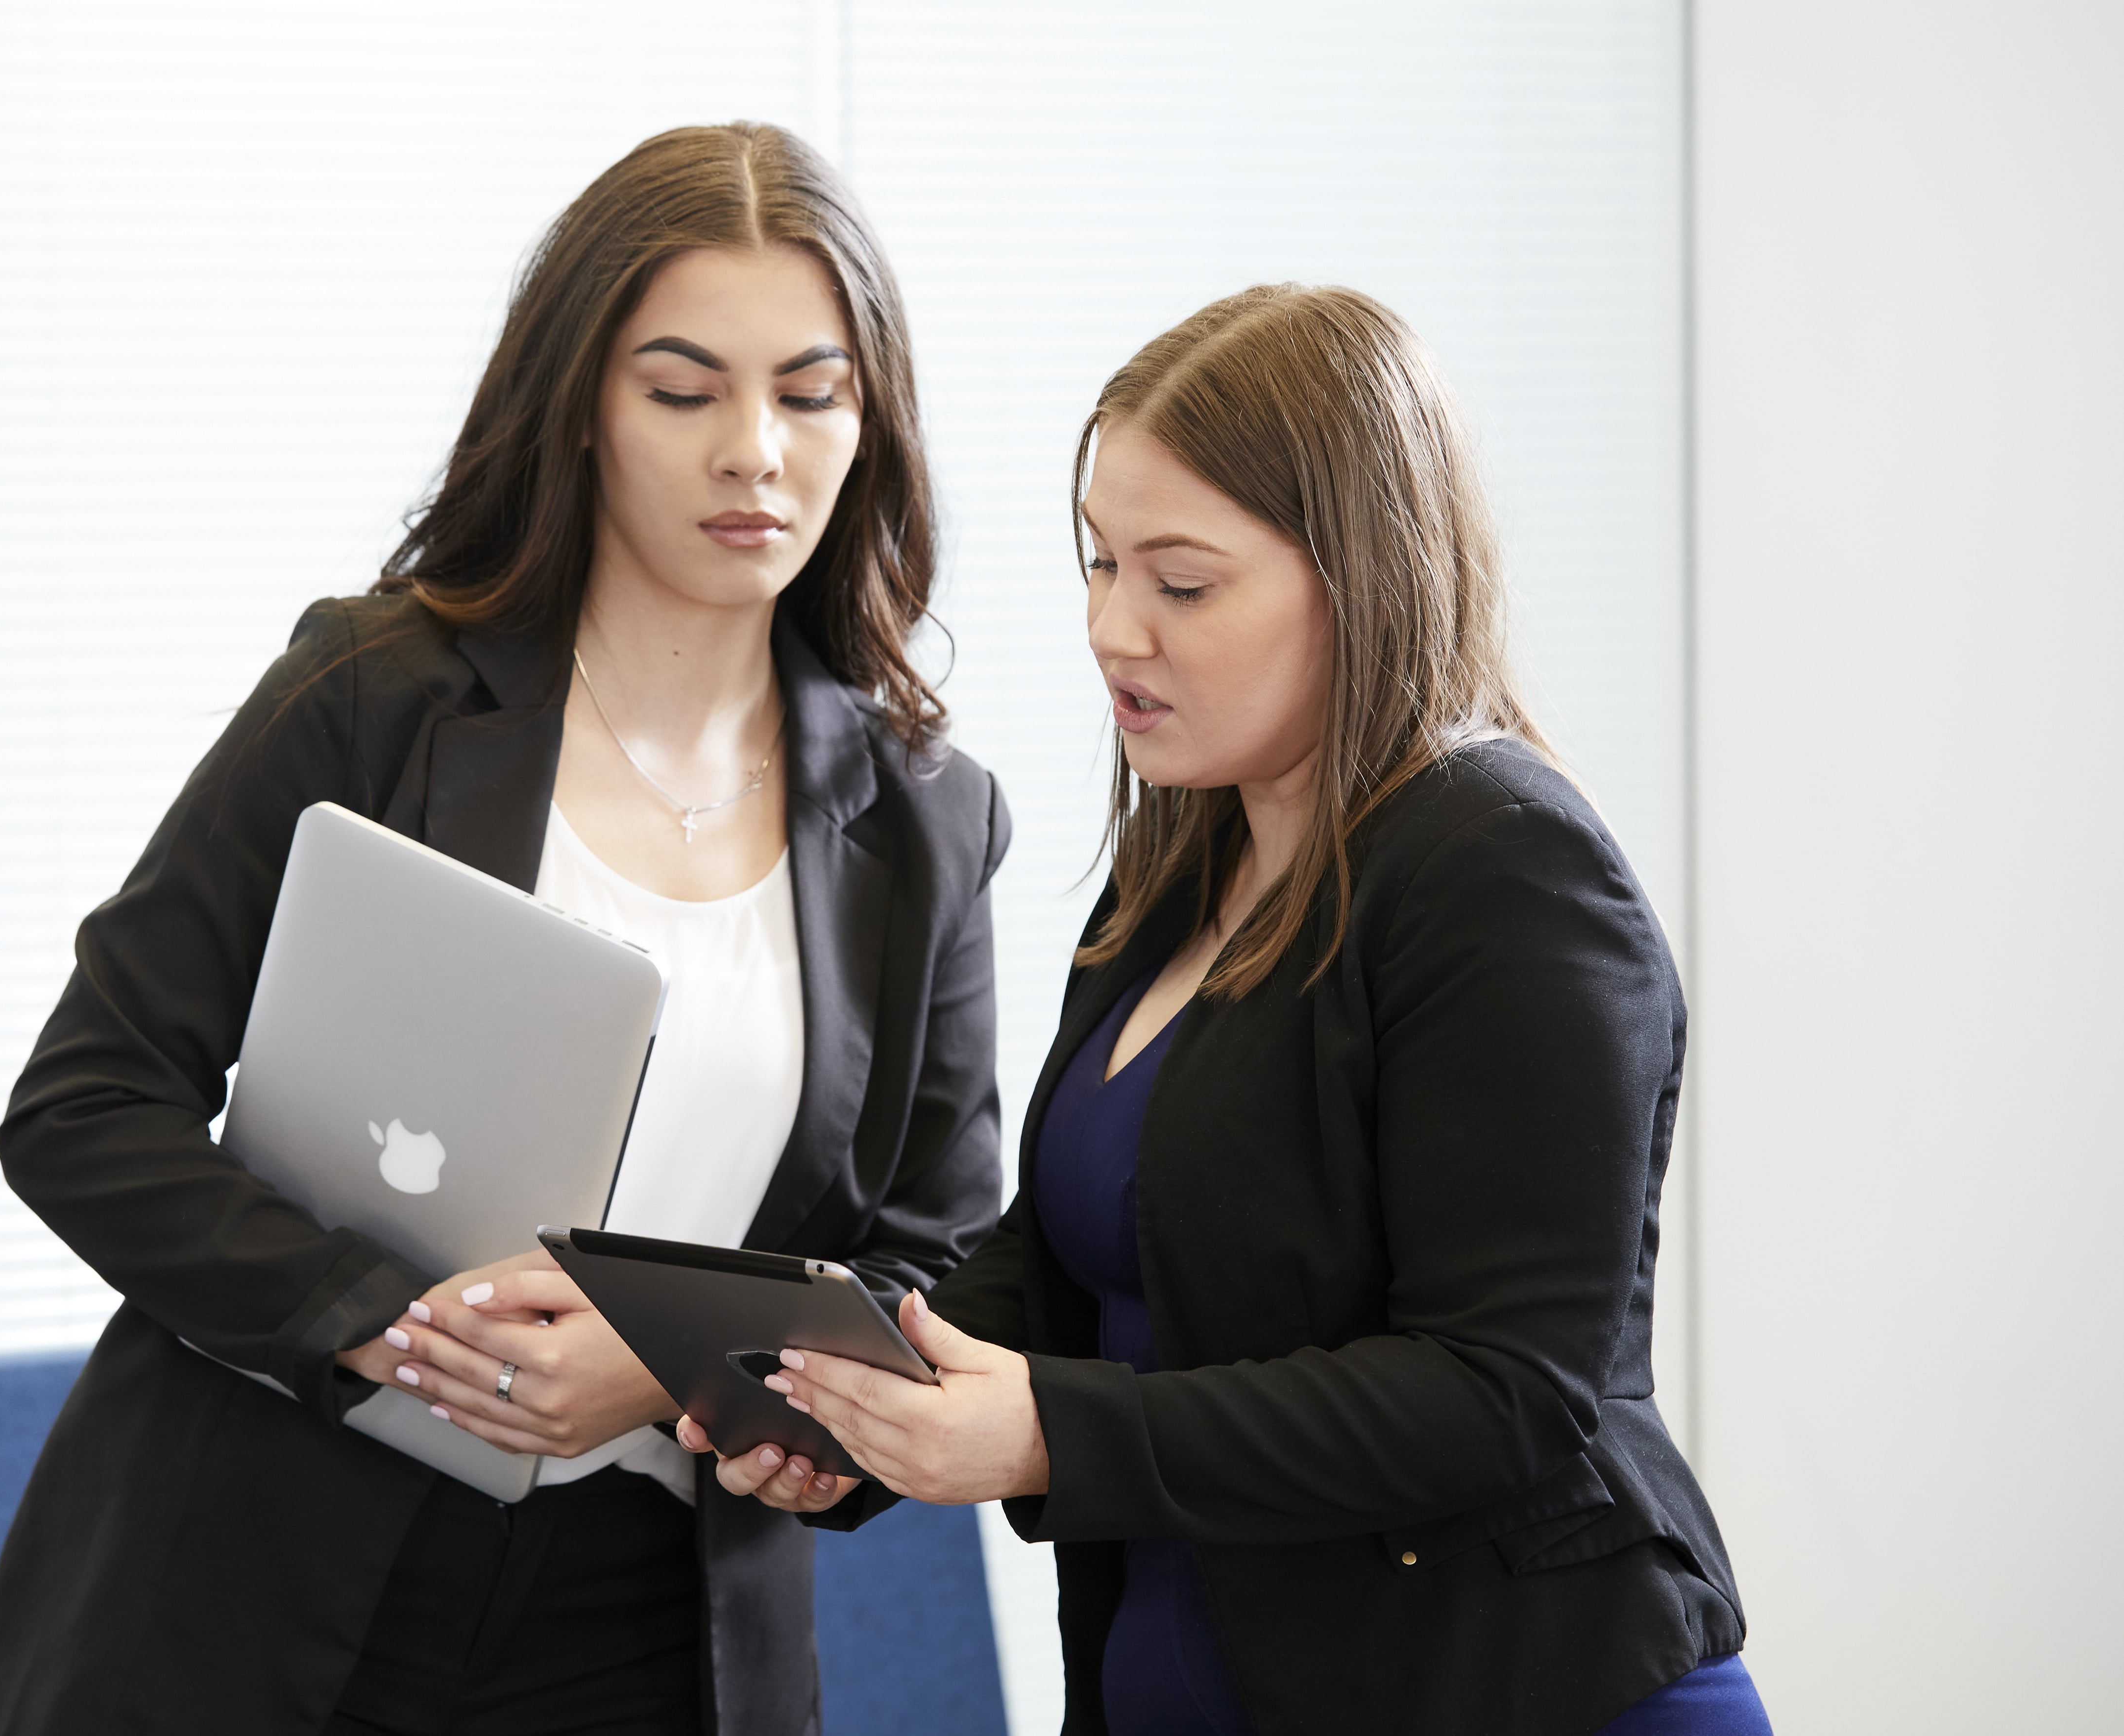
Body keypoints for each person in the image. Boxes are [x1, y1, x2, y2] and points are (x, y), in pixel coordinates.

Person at [0, 122, 1009, 1736]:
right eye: (682, 391)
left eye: (810, 392)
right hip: (259, 1585)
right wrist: (400, 1332)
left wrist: (671, 1370)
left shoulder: (926, 815)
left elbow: (930, 1255)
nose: (755, 452)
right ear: (582, 407)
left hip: (652, 1627)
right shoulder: (379, 695)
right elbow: (86, 1107)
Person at [688, 284, 1770, 1736]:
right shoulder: (1181, 853)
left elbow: (1502, 1390)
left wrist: (1043, 1435)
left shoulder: (1504, 871)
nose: (1109, 628)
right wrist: (863, 1399)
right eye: (1097, 564)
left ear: (1363, 577)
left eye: (1180, 584)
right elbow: (1085, 1253)